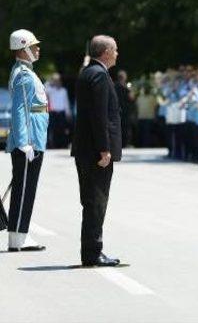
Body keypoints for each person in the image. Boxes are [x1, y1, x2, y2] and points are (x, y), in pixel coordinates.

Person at [71, 35, 122, 267]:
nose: (117, 54)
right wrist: (104, 149)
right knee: (96, 202)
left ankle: (90, 251)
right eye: (115, 50)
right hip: (95, 151)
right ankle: (93, 252)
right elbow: (99, 116)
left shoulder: (87, 72)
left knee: (90, 201)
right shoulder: (100, 76)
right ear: (105, 52)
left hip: (84, 149)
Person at [6, 29, 49, 252]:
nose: (37, 49)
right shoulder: (23, 74)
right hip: (29, 141)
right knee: (24, 191)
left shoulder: (26, 72)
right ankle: (18, 238)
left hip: (34, 138)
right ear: (23, 49)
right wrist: (24, 142)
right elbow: (20, 110)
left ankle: (20, 234)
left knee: (26, 189)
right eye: (33, 46)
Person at [45, 73, 72, 148]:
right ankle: (53, 145)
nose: (57, 82)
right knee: (53, 129)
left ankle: (62, 145)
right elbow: (45, 88)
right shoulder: (50, 90)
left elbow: (66, 102)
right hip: (53, 112)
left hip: (61, 113)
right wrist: (50, 82)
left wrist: (68, 112)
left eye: (58, 80)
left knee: (62, 130)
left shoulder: (63, 90)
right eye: (55, 80)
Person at [115, 70, 134, 147]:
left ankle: (118, 143)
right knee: (126, 127)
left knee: (118, 127)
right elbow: (131, 98)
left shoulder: (114, 86)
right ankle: (126, 143)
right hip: (125, 110)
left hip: (117, 109)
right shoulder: (126, 87)